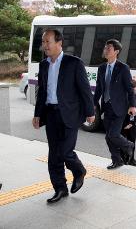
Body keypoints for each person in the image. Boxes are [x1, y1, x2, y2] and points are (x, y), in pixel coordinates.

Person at [32, 29, 95, 204]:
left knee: (66, 152)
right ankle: (60, 188)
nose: (44, 45)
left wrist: (90, 112)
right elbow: (42, 92)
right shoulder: (43, 64)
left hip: (70, 114)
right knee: (54, 155)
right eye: (43, 42)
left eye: (48, 42)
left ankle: (79, 170)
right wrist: (37, 114)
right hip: (51, 113)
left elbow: (84, 89)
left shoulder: (74, 63)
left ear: (59, 43)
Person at [93, 39, 136, 170]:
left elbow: (129, 89)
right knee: (108, 137)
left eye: (109, 48)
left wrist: (133, 105)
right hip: (106, 107)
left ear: (116, 51)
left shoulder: (123, 68)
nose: (105, 50)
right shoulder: (101, 68)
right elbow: (99, 88)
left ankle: (128, 145)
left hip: (119, 108)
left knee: (113, 135)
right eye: (105, 48)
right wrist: (93, 104)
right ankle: (117, 160)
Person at [121, 79, 136, 166]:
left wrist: (131, 123)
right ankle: (123, 158)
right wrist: (125, 123)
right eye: (133, 88)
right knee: (121, 140)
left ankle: (132, 159)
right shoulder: (123, 95)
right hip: (122, 121)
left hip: (131, 122)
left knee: (132, 140)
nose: (135, 90)